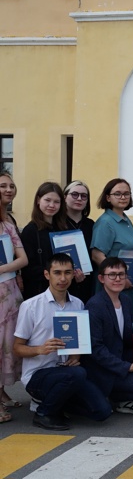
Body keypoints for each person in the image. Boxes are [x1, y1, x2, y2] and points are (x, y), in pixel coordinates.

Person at [13, 253, 112, 431]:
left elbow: (79, 340)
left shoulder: (78, 304)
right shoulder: (31, 306)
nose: (63, 278)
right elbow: (17, 348)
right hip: (38, 375)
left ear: (74, 275)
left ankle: (56, 403)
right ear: (47, 275)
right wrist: (40, 349)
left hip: (67, 373)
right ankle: (43, 412)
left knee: (102, 412)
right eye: (57, 273)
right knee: (78, 374)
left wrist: (75, 356)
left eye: (67, 273)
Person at [82, 257, 133, 416]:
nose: (118, 279)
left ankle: (128, 388)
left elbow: (127, 336)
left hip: (120, 355)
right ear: (101, 278)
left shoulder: (125, 300)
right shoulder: (95, 306)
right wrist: (126, 367)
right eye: (112, 275)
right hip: (103, 368)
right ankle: (116, 396)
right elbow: (96, 349)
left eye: (121, 274)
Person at [90, 178, 133, 300]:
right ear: (108, 198)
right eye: (117, 194)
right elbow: (97, 255)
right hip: (114, 288)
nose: (123, 197)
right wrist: (118, 279)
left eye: (126, 194)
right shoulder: (105, 222)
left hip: (131, 283)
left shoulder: (126, 219)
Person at [0, 171, 24, 418]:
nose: (8, 189)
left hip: (8, 293)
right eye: (2, 186)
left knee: (6, 344)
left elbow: (23, 259)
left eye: (11, 185)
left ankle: (2, 391)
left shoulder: (8, 223)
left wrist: (3, 268)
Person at [21, 182, 68, 300]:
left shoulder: (64, 229)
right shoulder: (30, 231)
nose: (51, 205)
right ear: (38, 200)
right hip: (38, 292)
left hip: (63, 290)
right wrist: (53, 273)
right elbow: (28, 269)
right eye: (47, 200)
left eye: (56, 202)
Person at [62, 180, 94, 303]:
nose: (79, 198)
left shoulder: (91, 225)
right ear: (65, 197)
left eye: (84, 196)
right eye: (74, 194)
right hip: (63, 282)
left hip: (87, 282)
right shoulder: (57, 224)